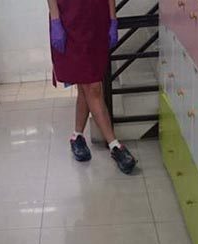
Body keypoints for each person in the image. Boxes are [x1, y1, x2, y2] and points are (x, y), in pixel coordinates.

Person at [48, 0, 137, 174]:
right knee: (93, 87)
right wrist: (56, 20)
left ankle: (77, 136)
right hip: (69, 21)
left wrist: (113, 19)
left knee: (86, 84)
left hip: (96, 20)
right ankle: (114, 145)